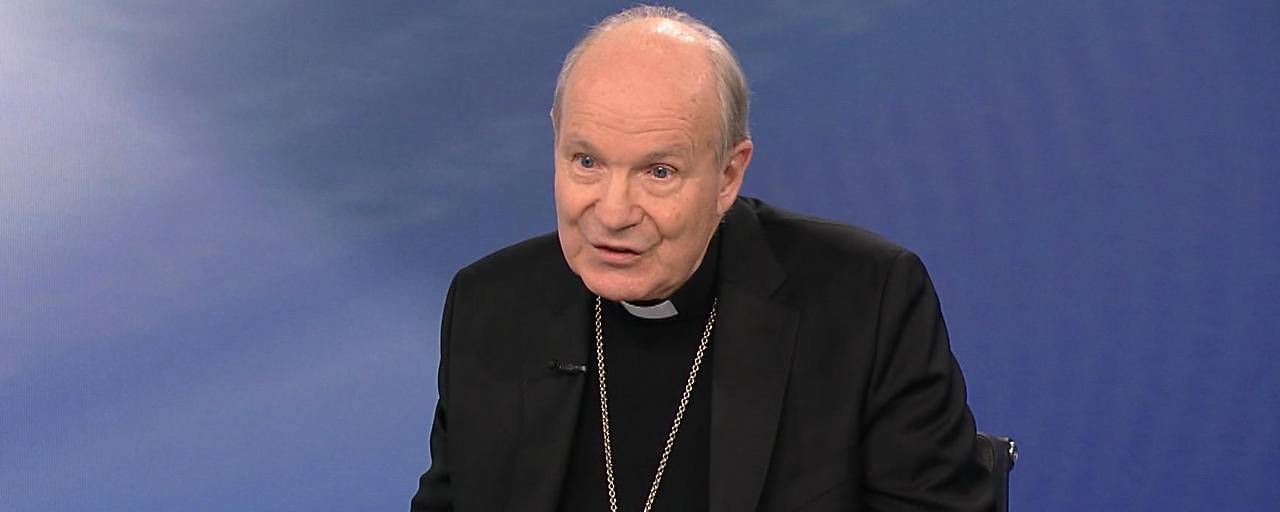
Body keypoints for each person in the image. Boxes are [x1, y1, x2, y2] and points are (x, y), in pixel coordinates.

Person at [411, 6, 992, 511]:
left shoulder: (865, 302)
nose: (613, 212)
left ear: (728, 174)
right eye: (586, 162)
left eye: (659, 172)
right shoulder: (490, 305)